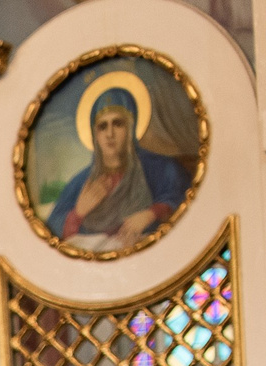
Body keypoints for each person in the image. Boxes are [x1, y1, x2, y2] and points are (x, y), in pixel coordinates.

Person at [46, 85, 191, 253]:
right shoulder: (80, 183)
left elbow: (184, 196)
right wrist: (77, 213)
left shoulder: (161, 168)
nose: (110, 134)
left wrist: (151, 213)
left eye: (118, 124)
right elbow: (51, 230)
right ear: (95, 135)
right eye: (102, 126)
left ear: (130, 128)